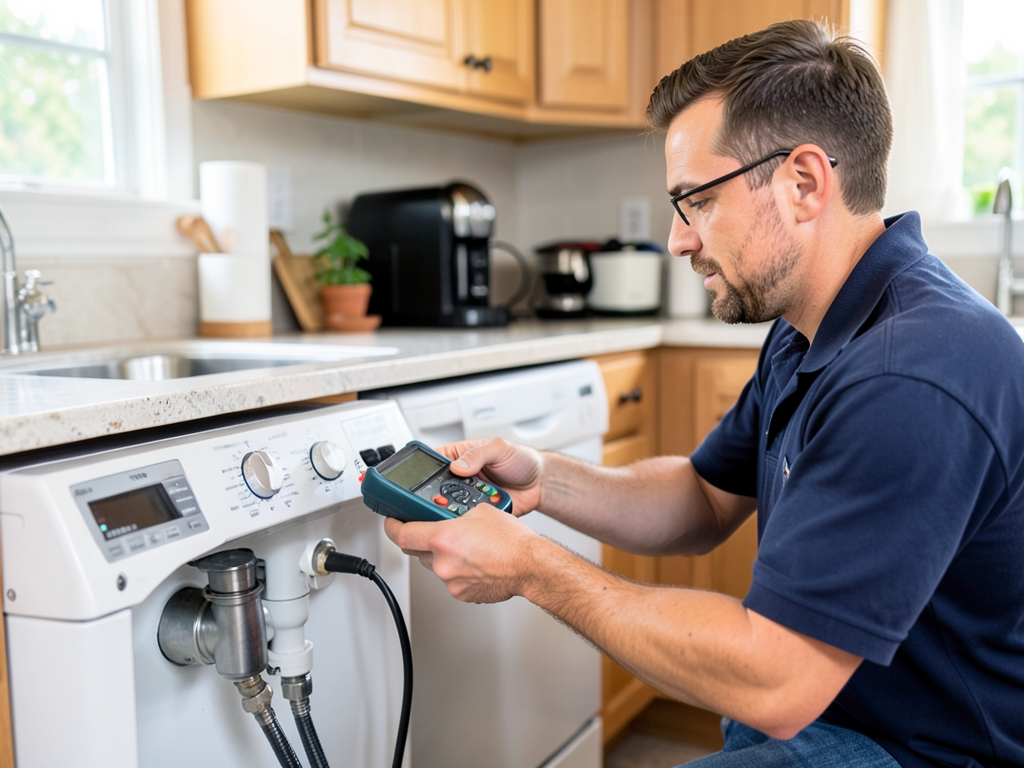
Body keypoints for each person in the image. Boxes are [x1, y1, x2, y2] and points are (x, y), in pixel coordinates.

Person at [384, 19, 1024, 768]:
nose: (678, 239)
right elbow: (703, 498)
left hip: (925, 750)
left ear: (804, 183)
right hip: (832, 711)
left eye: (697, 200)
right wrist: (546, 479)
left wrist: (532, 567)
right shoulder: (811, 324)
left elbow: (775, 680)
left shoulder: (910, 376)